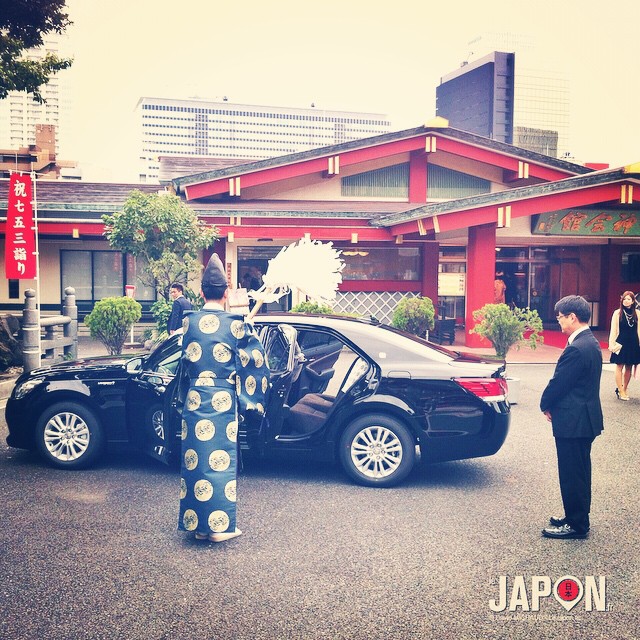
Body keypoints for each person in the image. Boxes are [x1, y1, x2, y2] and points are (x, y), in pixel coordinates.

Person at [177, 254, 269, 543]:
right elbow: (254, 361)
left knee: (195, 461)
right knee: (218, 462)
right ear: (227, 293)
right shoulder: (236, 322)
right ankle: (219, 528)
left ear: (201, 292)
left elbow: (184, 362)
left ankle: (199, 527)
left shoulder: (188, 322)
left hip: (194, 397)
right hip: (222, 398)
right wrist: (251, 399)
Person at [540, 295, 604, 539]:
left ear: (572, 317)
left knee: (572, 474)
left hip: (573, 421)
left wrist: (545, 403)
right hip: (583, 418)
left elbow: (559, 383)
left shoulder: (577, 348)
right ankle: (576, 516)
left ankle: (576, 525)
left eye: (560, 317)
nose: (559, 321)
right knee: (579, 471)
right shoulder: (590, 341)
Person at [608, 290, 640, 401]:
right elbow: (613, 330)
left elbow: (639, 330)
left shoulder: (637, 313)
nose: (626, 301)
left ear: (632, 301)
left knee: (629, 367)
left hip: (633, 343)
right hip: (621, 343)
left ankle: (624, 389)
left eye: (629, 299)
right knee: (619, 366)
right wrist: (611, 344)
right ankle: (620, 390)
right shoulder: (617, 313)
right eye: (624, 299)